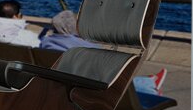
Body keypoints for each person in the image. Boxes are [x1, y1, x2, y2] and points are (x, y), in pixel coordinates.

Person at [40, 10, 168, 95]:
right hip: (88, 90)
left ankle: (147, 81)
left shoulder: (45, 44)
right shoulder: (83, 47)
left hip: (59, 87)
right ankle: (149, 85)